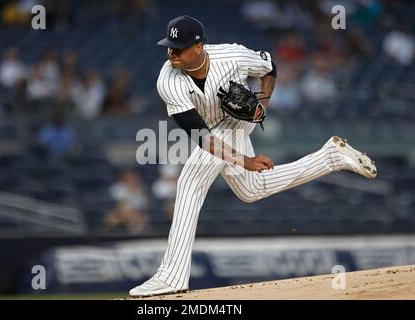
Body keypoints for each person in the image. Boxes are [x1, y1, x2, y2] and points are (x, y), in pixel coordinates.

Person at [129, 15, 377, 297]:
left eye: (178, 47)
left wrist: (263, 101)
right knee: (251, 190)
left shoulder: (232, 56)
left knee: (190, 181)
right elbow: (202, 136)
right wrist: (244, 161)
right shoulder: (169, 80)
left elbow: (269, 66)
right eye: (169, 46)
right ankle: (330, 157)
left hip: (238, 121)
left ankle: (172, 277)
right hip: (210, 131)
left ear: (198, 46)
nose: (171, 52)